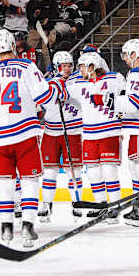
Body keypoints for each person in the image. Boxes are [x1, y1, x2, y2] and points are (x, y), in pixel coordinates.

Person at [0, 29, 56, 246]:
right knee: (29, 181)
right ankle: (27, 227)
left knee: (3, 184)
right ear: (13, 44)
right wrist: (54, 88)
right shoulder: (26, 66)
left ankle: (6, 229)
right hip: (25, 134)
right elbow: (45, 98)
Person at [92, 39, 139, 226]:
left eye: (125, 54)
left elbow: (133, 104)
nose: (124, 58)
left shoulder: (137, 73)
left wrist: (109, 100)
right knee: (136, 164)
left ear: (133, 54)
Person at [58, 52, 126, 223]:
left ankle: (115, 207)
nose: (79, 69)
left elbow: (126, 96)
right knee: (94, 174)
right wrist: (57, 80)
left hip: (110, 132)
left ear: (91, 66)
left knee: (109, 172)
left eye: (82, 66)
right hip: (88, 134)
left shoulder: (113, 79)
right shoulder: (78, 83)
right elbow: (62, 92)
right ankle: (101, 206)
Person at [38, 51, 84, 222]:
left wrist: (66, 93)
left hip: (73, 131)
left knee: (74, 171)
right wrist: (56, 89)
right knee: (50, 171)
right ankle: (47, 204)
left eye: (69, 65)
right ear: (57, 67)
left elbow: (79, 99)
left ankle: (76, 203)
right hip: (51, 131)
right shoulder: (49, 84)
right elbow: (43, 103)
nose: (67, 69)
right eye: (63, 66)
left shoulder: (78, 81)